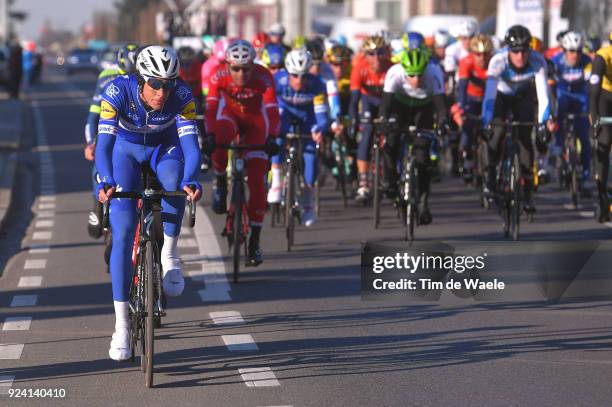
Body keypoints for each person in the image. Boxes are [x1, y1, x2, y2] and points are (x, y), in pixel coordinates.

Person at [95, 45, 202, 361]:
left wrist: (192, 179)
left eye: (168, 83)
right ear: (140, 79)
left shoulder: (183, 96)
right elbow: (104, 146)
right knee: (124, 230)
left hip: (163, 150)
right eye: (155, 83)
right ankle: (122, 326)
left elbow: (191, 147)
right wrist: (104, 180)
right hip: (124, 153)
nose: (162, 91)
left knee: (174, 183)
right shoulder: (116, 90)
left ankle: (169, 253)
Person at [206, 39, 280, 265]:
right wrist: (208, 135)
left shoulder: (264, 76)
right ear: (227, 65)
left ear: (253, 66)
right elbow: (210, 106)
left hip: (256, 123)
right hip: (231, 117)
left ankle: (255, 242)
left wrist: (272, 137)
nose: (240, 74)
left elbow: (272, 109)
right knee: (219, 136)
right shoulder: (218, 76)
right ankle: (220, 182)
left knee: (257, 183)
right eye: (235, 69)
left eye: (245, 68)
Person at [482, 25, 555, 213]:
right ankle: (490, 179)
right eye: (515, 51)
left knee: (525, 140)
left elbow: (543, 95)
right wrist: (486, 121)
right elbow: (489, 96)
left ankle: (528, 194)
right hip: (501, 97)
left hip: (523, 97)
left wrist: (542, 123)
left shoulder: (538, 61)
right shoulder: (497, 61)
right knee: (496, 134)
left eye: (524, 51)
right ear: (508, 50)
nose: (520, 56)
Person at [379, 47, 447, 225]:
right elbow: (385, 105)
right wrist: (384, 121)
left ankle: (423, 202)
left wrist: (442, 123)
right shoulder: (394, 73)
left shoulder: (434, 73)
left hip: (423, 109)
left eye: (419, 74)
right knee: (391, 142)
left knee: (423, 157)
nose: (416, 79)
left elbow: (440, 107)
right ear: (404, 71)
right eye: (411, 75)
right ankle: (391, 180)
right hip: (399, 107)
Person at [267, 48, 329, 227]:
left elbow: (321, 114)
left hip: (307, 118)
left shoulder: (317, 84)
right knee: (277, 134)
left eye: (303, 75)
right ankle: (277, 181)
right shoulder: (277, 80)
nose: (298, 80)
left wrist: (319, 129)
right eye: (294, 75)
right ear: (287, 72)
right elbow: (269, 107)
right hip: (284, 113)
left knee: (311, 156)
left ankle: (308, 201)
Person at [86, 43, 139, 239]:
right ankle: (98, 206)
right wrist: (91, 142)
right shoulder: (106, 77)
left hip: (134, 133)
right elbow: (93, 116)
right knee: (100, 164)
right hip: (109, 128)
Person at [349, 35, 392, 203]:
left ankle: (391, 174)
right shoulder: (359, 69)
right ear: (365, 55)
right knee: (366, 135)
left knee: (391, 137)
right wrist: (353, 120)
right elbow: (354, 100)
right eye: (371, 54)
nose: (376, 58)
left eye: (380, 53)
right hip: (368, 103)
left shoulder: (392, 68)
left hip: (386, 104)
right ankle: (363, 181)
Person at [551, 31, 592, 196]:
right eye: (571, 51)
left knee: (584, 136)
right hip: (562, 96)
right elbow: (550, 87)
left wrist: (592, 111)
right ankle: (559, 150)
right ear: (564, 51)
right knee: (559, 113)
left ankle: (586, 177)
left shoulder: (587, 61)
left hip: (581, 97)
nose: (575, 55)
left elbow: (591, 87)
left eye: (578, 51)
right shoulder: (555, 62)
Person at [453, 34, 494, 183]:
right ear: (472, 53)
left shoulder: (495, 62)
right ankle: (468, 158)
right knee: (467, 126)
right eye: (478, 54)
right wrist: (461, 108)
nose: (482, 58)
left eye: (485, 54)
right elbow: (462, 88)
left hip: (488, 98)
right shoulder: (466, 62)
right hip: (470, 97)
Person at [589, 32, 612, 222]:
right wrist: (595, 121)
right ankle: (602, 195)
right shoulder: (602, 57)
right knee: (604, 141)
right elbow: (593, 94)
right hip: (604, 96)